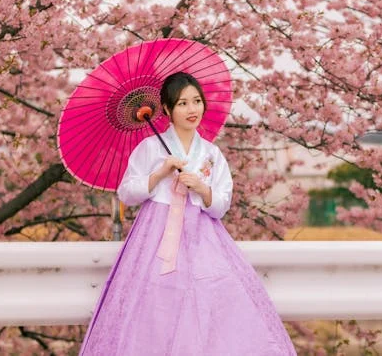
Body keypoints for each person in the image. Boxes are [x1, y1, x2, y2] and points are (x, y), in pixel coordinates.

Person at [79, 72, 296, 355]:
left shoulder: (211, 154)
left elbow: (221, 205)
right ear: (167, 110)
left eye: (196, 101)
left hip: (203, 236)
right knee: (154, 303)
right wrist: (160, 174)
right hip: (155, 233)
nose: (192, 110)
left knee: (211, 299)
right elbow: (127, 194)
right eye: (182, 103)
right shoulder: (150, 148)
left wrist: (202, 189)